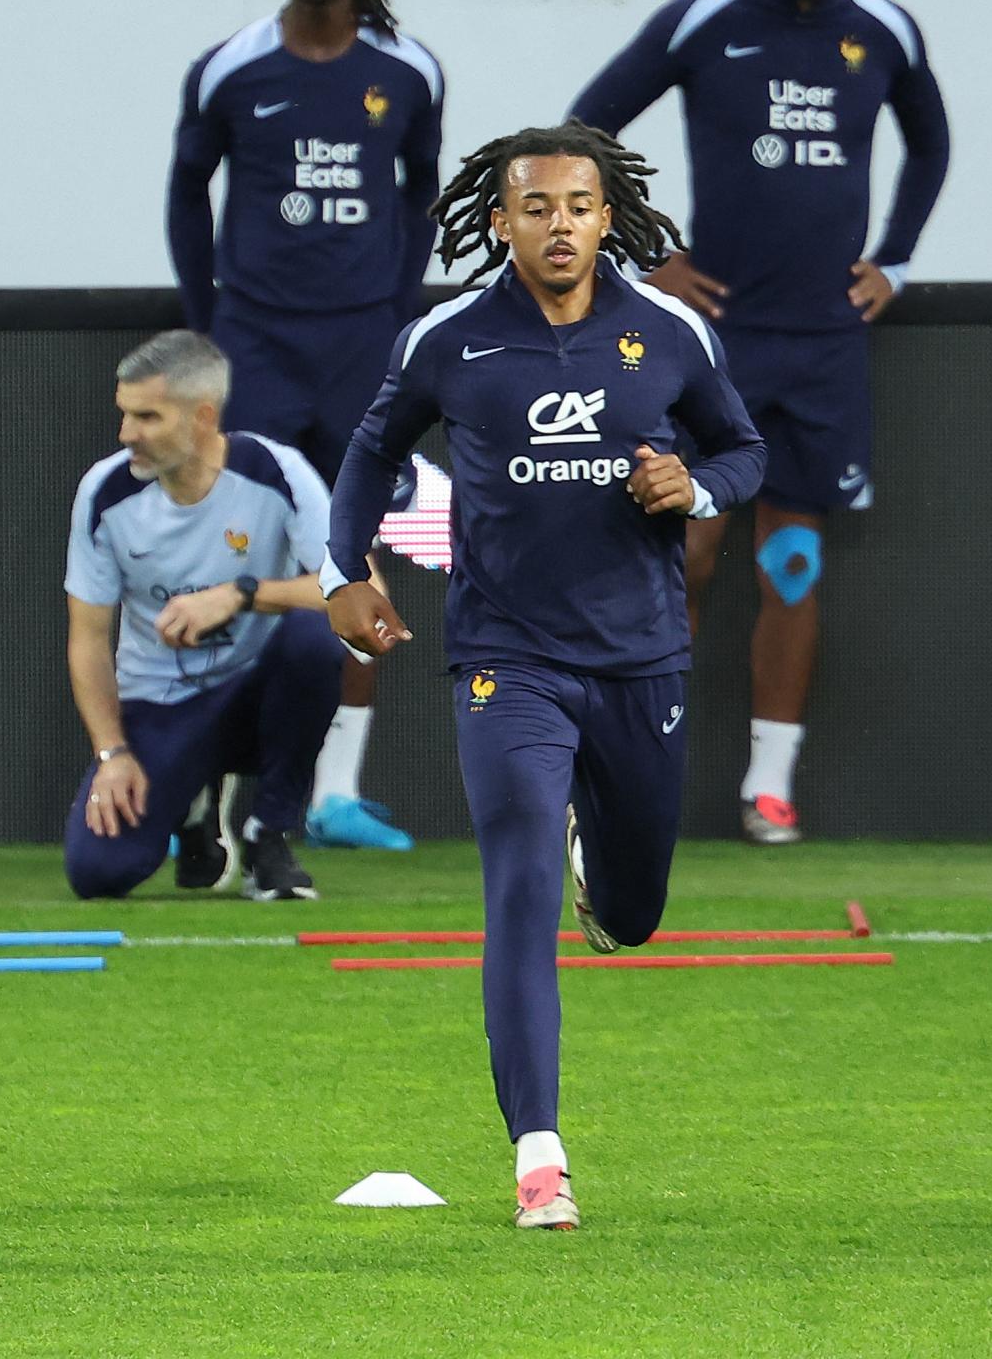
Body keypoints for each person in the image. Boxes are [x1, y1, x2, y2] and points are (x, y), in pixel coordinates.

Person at [325, 123, 764, 1232]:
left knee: (635, 910)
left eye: (578, 203)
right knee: (515, 878)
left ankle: (603, 867)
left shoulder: (670, 332)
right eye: (536, 205)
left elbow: (742, 450)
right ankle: (539, 1153)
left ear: (607, 214)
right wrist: (343, 567)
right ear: (500, 220)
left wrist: (694, 487)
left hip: (641, 659)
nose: (557, 222)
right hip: (504, 657)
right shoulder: (448, 338)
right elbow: (373, 451)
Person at [566, 0, 949, 844]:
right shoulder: (708, 20)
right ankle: (640, 769)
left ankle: (768, 786)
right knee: (686, 551)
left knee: (789, 560)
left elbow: (932, 143)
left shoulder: (885, 29)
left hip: (824, 343)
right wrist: (648, 255)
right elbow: (585, 129)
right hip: (717, 339)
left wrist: (894, 260)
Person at [168, 0, 442, 854]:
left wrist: (399, 313)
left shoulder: (408, 70)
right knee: (230, 552)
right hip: (258, 347)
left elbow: (424, 196)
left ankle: (332, 790)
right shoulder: (230, 67)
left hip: (361, 348)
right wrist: (211, 325)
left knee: (350, 554)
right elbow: (185, 194)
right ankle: (201, 791)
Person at [62, 331, 338, 904]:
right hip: (159, 706)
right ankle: (194, 806)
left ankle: (269, 836)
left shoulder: (278, 472)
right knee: (98, 874)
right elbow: (88, 640)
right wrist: (112, 754)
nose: (126, 435)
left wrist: (241, 593)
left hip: (255, 695)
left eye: (147, 417)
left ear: (203, 417)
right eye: (125, 415)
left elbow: (360, 595)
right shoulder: (104, 493)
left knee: (318, 640)